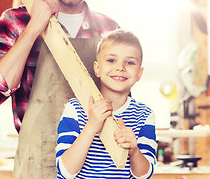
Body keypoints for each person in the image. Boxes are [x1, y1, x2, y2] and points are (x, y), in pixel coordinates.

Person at [0, 0, 119, 177]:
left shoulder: (109, 31)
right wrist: (35, 26)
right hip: (37, 165)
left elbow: (121, 105)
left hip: (95, 167)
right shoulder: (16, 21)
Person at [56, 29, 157, 179]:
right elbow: (65, 171)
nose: (120, 67)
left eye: (129, 62)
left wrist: (134, 150)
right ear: (97, 68)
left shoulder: (144, 114)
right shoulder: (76, 109)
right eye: (111, 60)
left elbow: (144, 175)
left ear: (139, 74)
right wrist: (91, 126)